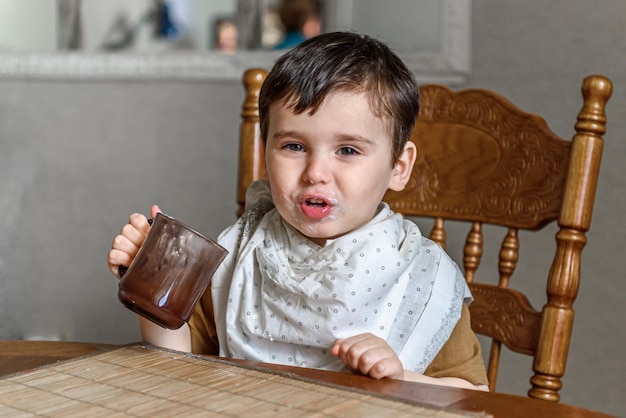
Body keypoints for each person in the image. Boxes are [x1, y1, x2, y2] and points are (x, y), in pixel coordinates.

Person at [108, 31, 489, 391]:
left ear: (399, 167)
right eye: (293, 146)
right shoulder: (241, 256)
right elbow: (177, 366)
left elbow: (474, 396)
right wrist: (153, 283)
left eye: (348, 150)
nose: (316, 173)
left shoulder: (421, 278)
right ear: (265, 151)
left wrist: (401, 379)